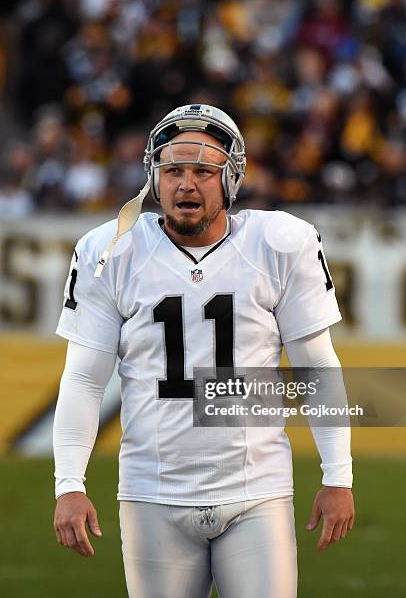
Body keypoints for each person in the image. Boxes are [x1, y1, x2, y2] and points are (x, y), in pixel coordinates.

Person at [52, 103, 355, 597]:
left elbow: (316, 366)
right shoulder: (111, 250)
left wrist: (337, 474)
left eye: (202, 171)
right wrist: (70, 484)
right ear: (154, 176)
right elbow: (85, 378)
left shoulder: (279, 243)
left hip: (256, 489)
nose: (185, 184)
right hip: (152, 491)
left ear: (230, 178)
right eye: (172, 170)